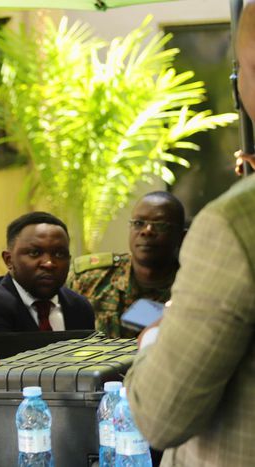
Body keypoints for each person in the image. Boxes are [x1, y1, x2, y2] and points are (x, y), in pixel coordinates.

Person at [124, 5, 255, 465]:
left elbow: (160, 416)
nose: (147, 233)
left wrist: (154, 339)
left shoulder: (236, 225)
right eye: (139, 224)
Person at [67, 191, 185, 337]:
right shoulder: (89, 278)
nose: (147, 231)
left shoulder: (194, 288)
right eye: (138, 223)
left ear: (182, 236)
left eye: (160, 225)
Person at [0, 212, 94, 333]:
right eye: (35, 253)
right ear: (9, 260)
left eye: (59, 254)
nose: (49, 263)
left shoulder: (79, 307)